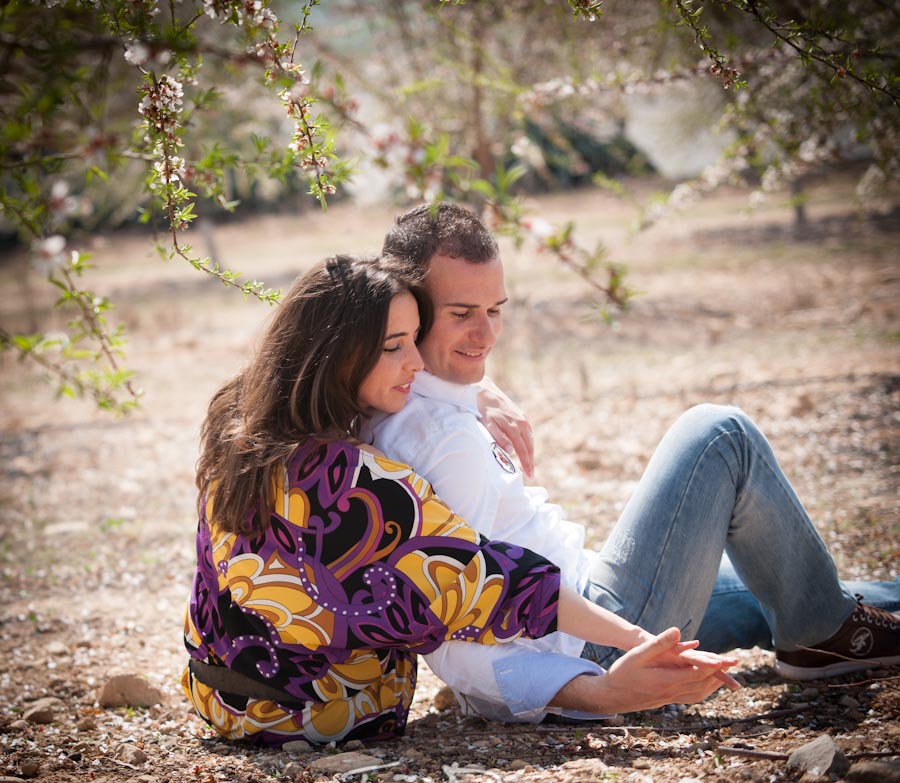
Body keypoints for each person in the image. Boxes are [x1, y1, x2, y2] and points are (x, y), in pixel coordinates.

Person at [367, 202, 900, 724]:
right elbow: (448, 616)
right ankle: (824, 634)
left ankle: (830, 623)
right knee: (719, 434)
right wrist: (595, 692)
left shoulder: (409, 398)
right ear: (409, 308)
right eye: (462, 314)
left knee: (776, 586)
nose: (486, 336)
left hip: (594, 598)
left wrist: (480, 388)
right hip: (593, 649)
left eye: (495, 310)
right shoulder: (442, 442)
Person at [181, 255, 737, 747]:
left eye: (415, 341)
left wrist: (473, 386)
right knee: (720, 435)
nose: (417, 363)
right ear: (336, 354)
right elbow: (493, 584)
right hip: (318, 710)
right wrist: (628, 649)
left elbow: (358, 291)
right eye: (395, 347)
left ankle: (817, 621)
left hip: (217, 696)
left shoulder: (241, 420)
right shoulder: (347, 478)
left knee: (731, 597)